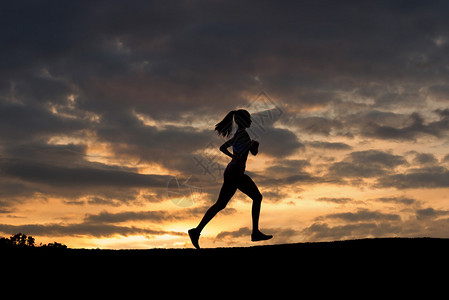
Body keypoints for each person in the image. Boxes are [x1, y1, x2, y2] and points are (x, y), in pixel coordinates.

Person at [188, 109, 272, 249]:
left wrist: (239, 153)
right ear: (242, 121)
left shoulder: (239, 135)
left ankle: (196, 231)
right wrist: (252, 145)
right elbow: (250, 152)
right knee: (257, 197)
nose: (251, 121)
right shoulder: (243, 135)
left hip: (232, 171)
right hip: (235, 172)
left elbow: (223, 148)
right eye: (249, 119)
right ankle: (255, 233)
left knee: (221, 204)